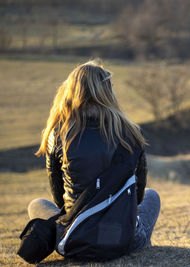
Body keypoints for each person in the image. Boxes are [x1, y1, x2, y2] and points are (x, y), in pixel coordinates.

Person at [28, 59, 160, 253]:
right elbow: (138, 198)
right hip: (123, 240)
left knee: (36, 204)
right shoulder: (131, 133)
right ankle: (136, 243)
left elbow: (59, 200)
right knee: (152, 196)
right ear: (108, 92)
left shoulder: (58, 134)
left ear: (70, 91)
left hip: (76, 239)